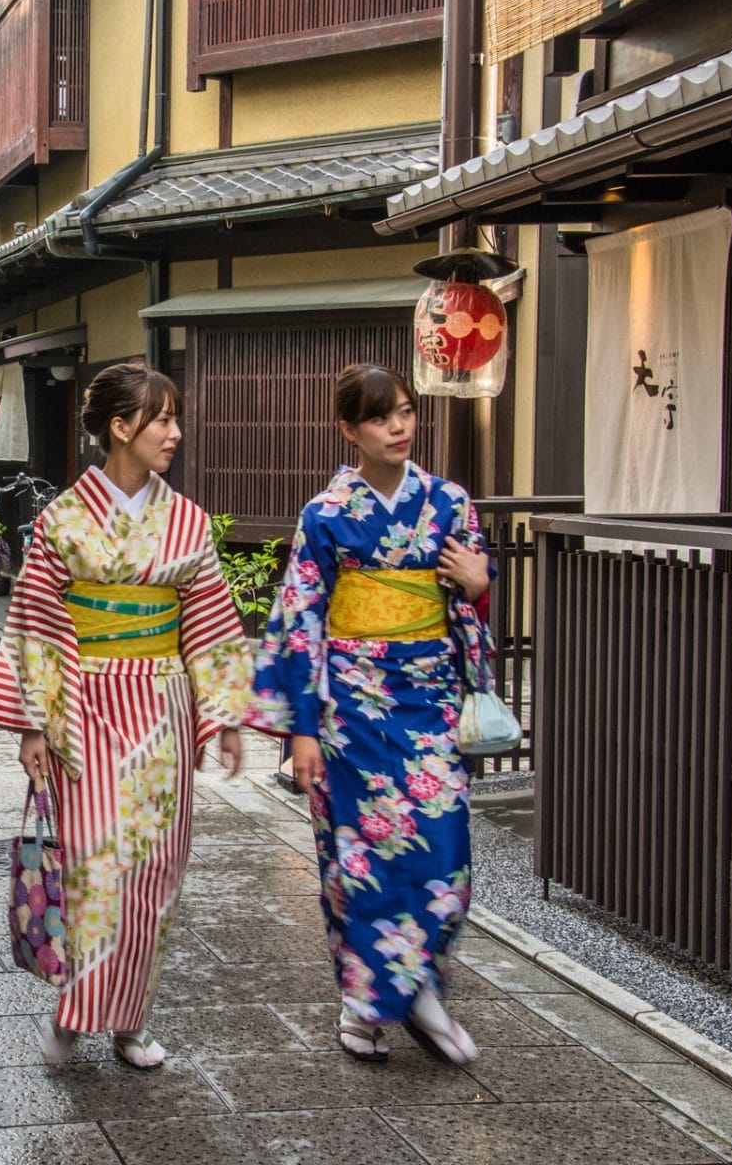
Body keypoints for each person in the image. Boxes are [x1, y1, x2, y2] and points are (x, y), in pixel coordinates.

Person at [0, 361, 255, 1070]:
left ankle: (130, 1016)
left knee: (155, 868)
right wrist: (32, 722)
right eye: (161, 419)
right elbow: (37, 621)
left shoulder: (186, 523)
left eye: (174, 418)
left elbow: (210, 625)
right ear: (120, 427)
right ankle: (77, 1012)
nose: (175, 432)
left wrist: (223, 713)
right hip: (85, 700)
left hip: (160, 705)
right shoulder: (64, 521)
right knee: (98, 861)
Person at [246, 363, 493, 1067]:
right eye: (383, 417)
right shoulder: (325, 516)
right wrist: (299, 729)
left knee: (446, 853)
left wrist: (478, 584)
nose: (400, 427)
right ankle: (363, 1006)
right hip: (348, 709)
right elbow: (299, 620)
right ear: (349, 429)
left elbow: (469, 595)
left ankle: (416, 990)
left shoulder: (448, 502)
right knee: (357, 862)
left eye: (408, 412)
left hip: (429, 701)